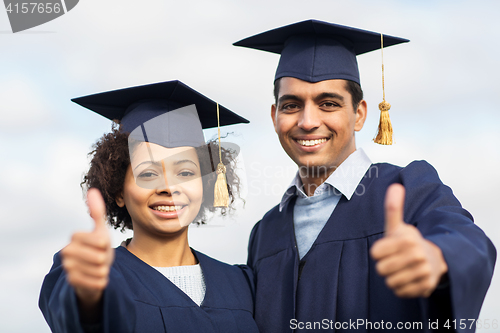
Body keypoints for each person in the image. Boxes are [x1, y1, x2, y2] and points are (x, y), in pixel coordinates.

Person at [234, 20, 496, 332]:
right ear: (275, 116)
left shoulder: (407, 190)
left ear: (359, 114)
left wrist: (438, 257)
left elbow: (467, 239)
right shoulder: (265, 232)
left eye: (328, 103)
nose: (307, 121)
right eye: (291, 105)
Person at [38, 80, 259, 333]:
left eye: (185, 172)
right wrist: (88, 296)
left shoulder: (241, 284)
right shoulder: (95, 271)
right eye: (148, 174)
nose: (168, 187)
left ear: (206, 186)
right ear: (118, 191)